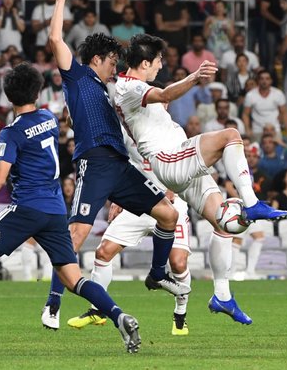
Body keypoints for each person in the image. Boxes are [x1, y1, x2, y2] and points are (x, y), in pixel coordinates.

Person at [0, 63, 141, 354]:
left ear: (8, 97)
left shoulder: (12, 132)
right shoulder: (48, 119)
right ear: (37, 92)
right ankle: (119, 315)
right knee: (73, 279)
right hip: (55, 211)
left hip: (27, 206)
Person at [41, 0, 188, 331]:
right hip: (94, 164)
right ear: (97, 58)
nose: (115, 66)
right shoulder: (76, 76)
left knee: (168, 215)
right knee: (75, 237)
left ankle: (157, 274)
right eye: (111, 60)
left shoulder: (112, 89)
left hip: (121, 167)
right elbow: (54, 38)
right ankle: (52, 305)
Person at [113, 33, 287, 321]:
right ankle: (253, 202)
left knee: (226, 224)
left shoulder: (137, 87)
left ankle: (222, 295)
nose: (160, 65)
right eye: (157, 61)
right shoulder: (127, 87)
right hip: (169, 160)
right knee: (231, 135)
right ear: (145, 62)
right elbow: (166, 94)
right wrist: (195, 76)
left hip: (180, 161)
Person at [66, 125, 194, 335]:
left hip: (170, 203)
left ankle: (180, 315)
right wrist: (118, 198)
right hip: (139, 201)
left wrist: (171, 189)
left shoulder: (173, 131)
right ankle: (98, 310)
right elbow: (119, 163)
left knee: (178, 263)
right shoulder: (127, 129)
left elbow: (184, 165)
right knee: (103, 252)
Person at [225, 142, 273, 280]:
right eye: (248, 155)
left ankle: (250, 271)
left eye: (253, 156)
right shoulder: (237, 166)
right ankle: (232, 272)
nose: (250, 158)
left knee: (259, 237)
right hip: (239, 208)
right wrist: (241, 200)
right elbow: (228, 186)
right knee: (237, 240)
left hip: (250, 208)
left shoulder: (255, 173)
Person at [243, 69, 287, 143]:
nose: (264, 81)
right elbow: (245, 114)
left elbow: (284, 112)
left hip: (275, 129)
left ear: (271, 81)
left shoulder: (278, 94)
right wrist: (247, 129)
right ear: (258, 81)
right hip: (257, 130)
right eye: (262, 79)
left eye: (267, 79)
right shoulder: (250, 95)